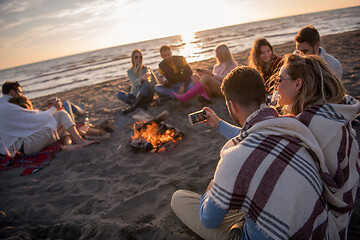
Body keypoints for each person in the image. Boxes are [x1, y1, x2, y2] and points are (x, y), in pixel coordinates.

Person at [171, 66, 329, 239]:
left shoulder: (235, 156)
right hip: (317, 229)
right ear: (264, 94)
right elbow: (256, 134)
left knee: (179, 199)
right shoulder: (292, 127)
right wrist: (219, 124)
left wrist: (210, 190)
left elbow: (209, 219)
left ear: (232, 105)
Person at [276, 53, 359, 238]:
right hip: (348, 197)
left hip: (332, 210)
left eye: (279, 79)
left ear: (298, 84)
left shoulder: (304, 128)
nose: (275, 85)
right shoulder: (331, 113)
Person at [0, 81, 97, 157]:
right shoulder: (8, 107)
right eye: (20, 92)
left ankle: (73, 141)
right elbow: (36, 119)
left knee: (60, 118)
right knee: (61, 113)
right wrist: (54, 108)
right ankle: (80, 141)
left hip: (21, 145)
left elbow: (30, 119)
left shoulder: (4, 104)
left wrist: (51, 108)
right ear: (12, 92)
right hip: (25, 146)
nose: (22, 95)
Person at [172, 43, 237, 104]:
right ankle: (205, 96)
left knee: (206, 77)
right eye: (216, 54)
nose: (216, 56)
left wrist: (210, 75)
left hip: (225, 90)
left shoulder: (232, 65)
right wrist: (205, 74)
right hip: (214, 90)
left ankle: (185, 96)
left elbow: (227, 80)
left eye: (218, 54)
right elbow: (213, 80)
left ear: (224, 54)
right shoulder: (216, 66)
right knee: (194, 76)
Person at [117, 49, 158, 114]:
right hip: (134, 95)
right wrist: (141, 78)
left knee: (146, 85)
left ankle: (133, 106)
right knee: (119, 94)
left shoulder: (147, 68)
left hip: (146, 96)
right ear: (132, 59)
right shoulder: (130, 71)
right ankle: (138, 104)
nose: (139, 59)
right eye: (136, 57)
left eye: (140, 57)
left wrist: (149, 81)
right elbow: (134, 82)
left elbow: (155, 83)